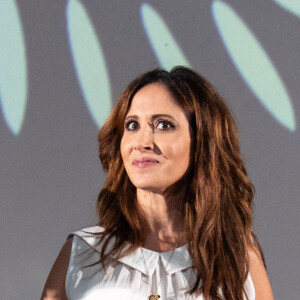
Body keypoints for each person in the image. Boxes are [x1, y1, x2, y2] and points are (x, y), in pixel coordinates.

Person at [41, 66, 274, 300]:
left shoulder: (238, 259)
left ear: (202, 143)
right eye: (132, 125)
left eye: (164, 125)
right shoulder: (81, 254)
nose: (142, 142)